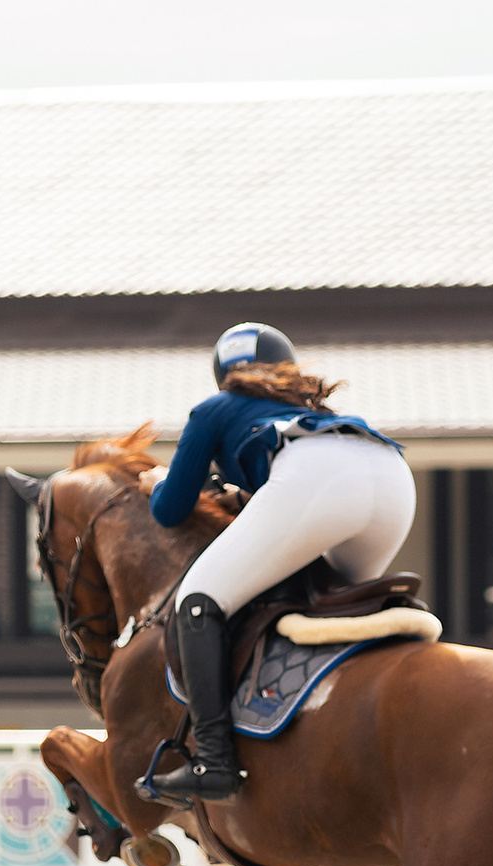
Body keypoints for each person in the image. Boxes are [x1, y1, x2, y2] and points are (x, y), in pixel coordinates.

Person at [145, 322, 415, 800]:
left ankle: (214, 761)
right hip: (391, 477)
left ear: (221, 375)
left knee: (197, 599)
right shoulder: (308, 409)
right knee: (339, 602)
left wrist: (159, 482)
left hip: (318, 479)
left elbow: (170, 510)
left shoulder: (215, 408)